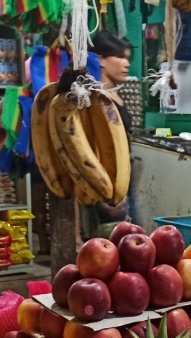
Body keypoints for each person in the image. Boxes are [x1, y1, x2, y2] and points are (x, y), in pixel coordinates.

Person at [84, 32, 137, 233]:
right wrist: (104, 185)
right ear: (101, 60)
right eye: (120, 57)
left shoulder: (113, 93)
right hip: (108, 177)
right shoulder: (95, 98)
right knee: (114, 235)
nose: (126, 64)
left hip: (124, 173)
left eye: (128, 58)